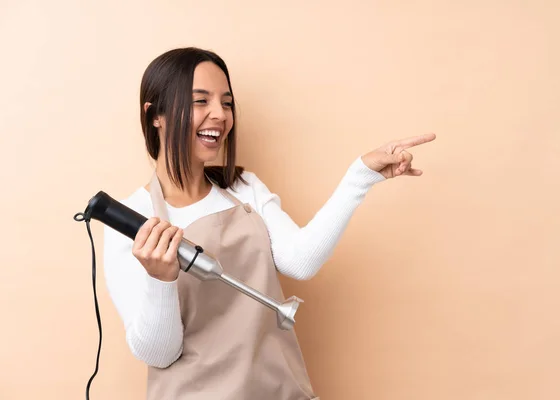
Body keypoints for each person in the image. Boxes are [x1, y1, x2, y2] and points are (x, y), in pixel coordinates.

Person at [103, 47, 436, 400]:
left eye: (227, 103)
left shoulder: (244, 188)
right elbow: (159, 353)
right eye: (201, 101)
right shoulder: (131, 220)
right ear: (156, 115)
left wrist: (361, 176)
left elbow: (300, 261)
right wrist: (160, 280)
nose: (220, 115)